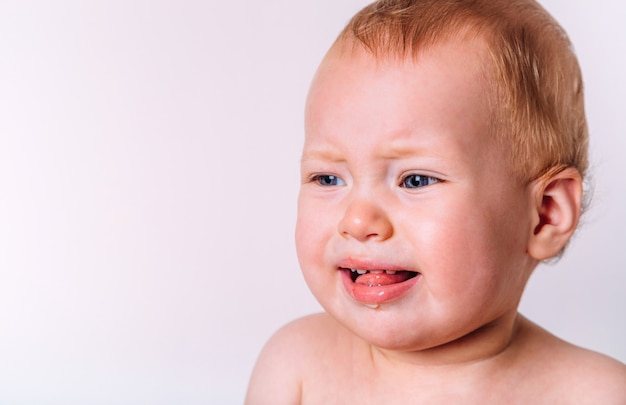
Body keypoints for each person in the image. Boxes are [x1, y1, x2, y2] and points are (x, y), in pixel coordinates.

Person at [246, 0, 626, 403]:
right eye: (328, 177)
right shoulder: (296, 368)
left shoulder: (594, 394)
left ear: (545, 215)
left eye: (415, 180)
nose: (357, 221)